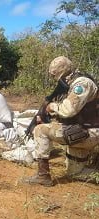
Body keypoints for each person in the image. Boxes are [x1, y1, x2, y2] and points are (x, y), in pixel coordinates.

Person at [24, 56, 99, 186]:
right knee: (75, 173)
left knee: (40, 130)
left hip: (88, 133)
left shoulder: (81, 84)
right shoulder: (73, 82)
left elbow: (68, 110)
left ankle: (43, 175)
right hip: (81, 131)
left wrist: (52, 107)